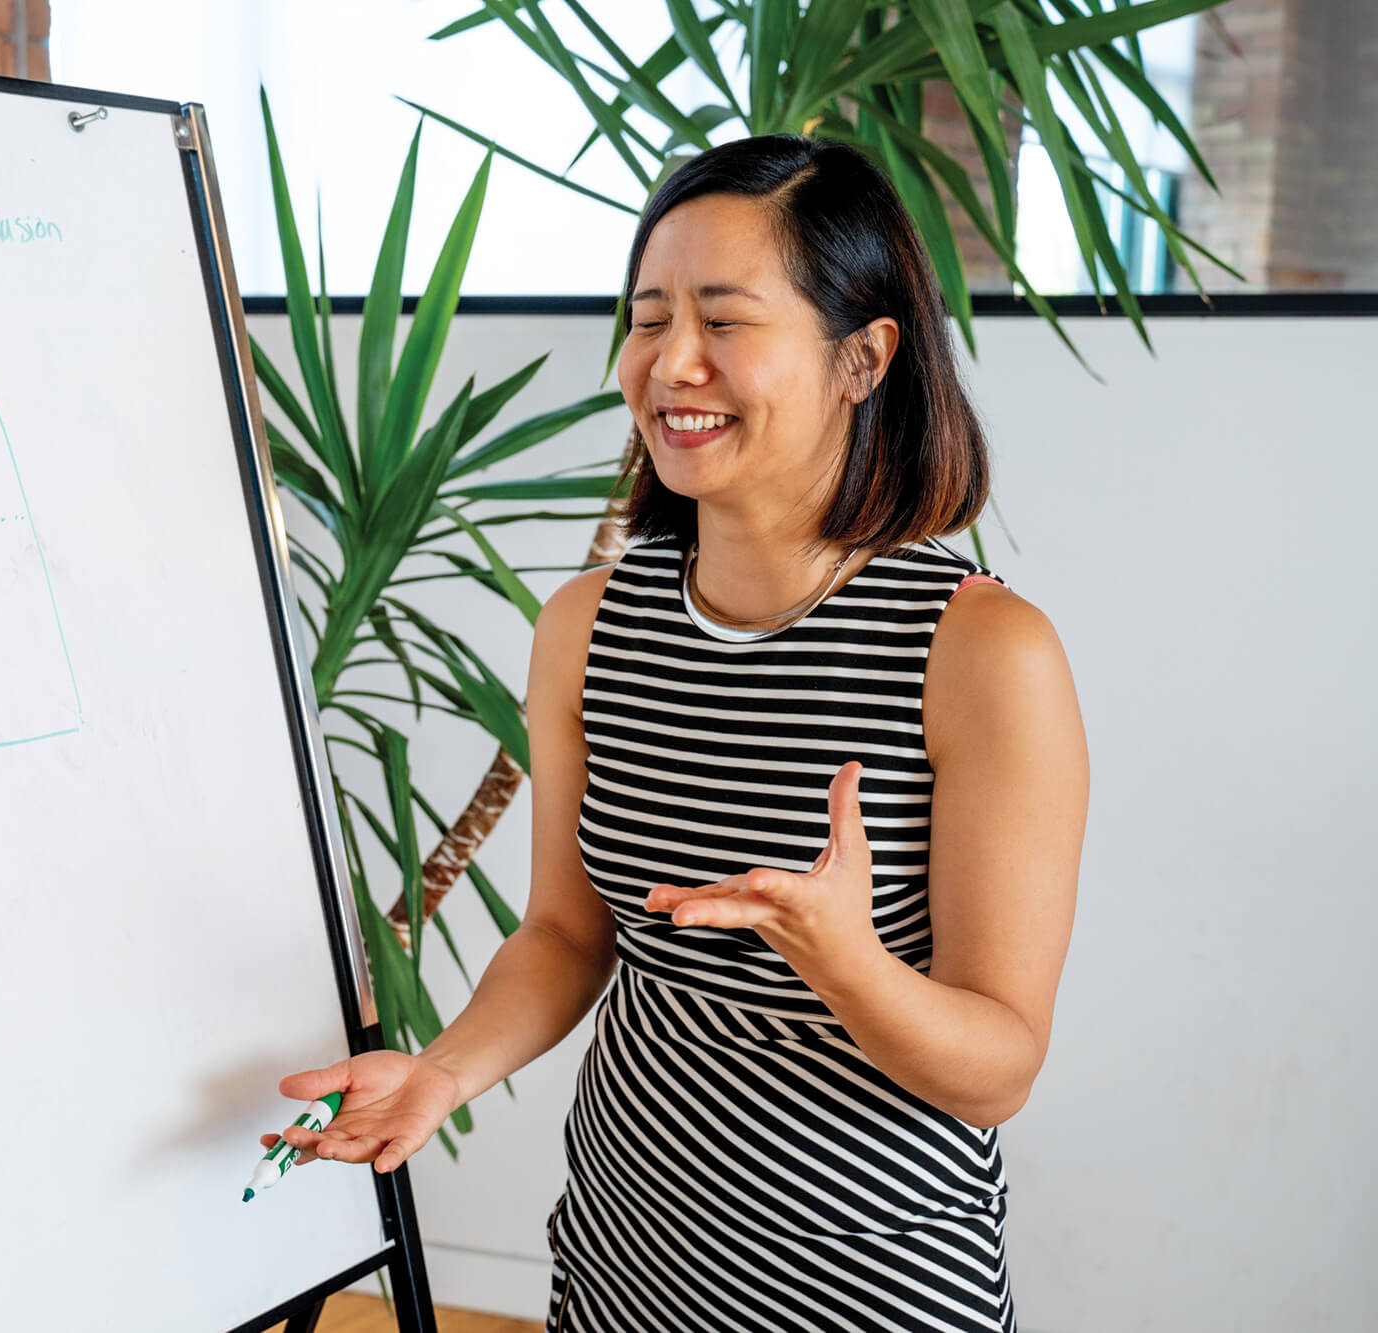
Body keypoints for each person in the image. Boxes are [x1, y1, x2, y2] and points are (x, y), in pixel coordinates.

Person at [261, 134, 1087, 1333]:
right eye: (648, 319)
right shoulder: (587, 624)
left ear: (863, 356)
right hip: (621, 1261)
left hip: (867, 1291)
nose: (669, 364)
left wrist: (842, 961)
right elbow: (560, 933)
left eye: (723, 319)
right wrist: (443, 1073)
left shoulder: (980, 653)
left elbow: (997, 1066)